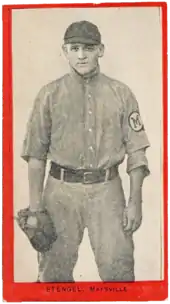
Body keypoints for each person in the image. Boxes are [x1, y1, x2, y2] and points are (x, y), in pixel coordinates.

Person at [21, 20, 150, 282]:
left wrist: (135, 201)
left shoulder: (121, 93)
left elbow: (137, 152)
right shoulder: (49, 95)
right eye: (75, 48)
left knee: (119, 269)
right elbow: (36, 157)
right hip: (60, 191)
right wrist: (36, 210)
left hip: (107, 190)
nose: (81, 55)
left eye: (89, 48)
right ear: (65, 51)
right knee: (53, 271)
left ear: (100, 50)